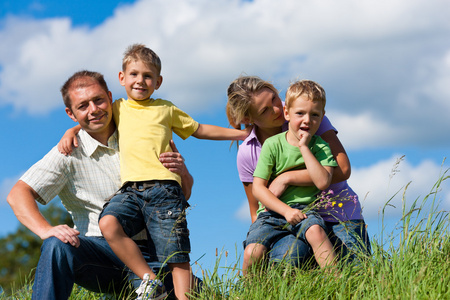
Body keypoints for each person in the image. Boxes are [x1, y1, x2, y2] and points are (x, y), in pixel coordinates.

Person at [6, 70, 194, 300]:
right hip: (100, 253)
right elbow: (17, 194)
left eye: (98, 100)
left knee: (202, 294)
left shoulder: (142, 132)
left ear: (111, 98)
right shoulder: (68, 151)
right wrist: (46, 230)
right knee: (56, 245)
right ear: (71, 113)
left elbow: (181, 196)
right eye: (82, 106)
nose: (93, 110)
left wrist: (182, 173)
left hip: (155, 253)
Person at [95, 43, 250, 300]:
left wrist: (242, 134)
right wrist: (70, 133)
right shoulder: (118, 108)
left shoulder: (166, 109)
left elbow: (199, 130)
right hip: (130, 191)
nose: (140, 81)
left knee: (176, 254)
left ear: (158, 81)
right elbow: (93, 121)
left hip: (165, 190)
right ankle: (149, 280)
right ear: (122, 78)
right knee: (108, 223)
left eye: (148, 76)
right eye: (134, 74)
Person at [226, 76, 371, 268]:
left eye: (274, 100)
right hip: (288, 220)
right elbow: (256, 210)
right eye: (265, 110)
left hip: (337, 213)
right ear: (248, 119)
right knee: (286, 266)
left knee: (358, 273)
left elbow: (342, 168)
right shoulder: (248, 152)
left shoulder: (306, 115)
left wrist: (287, 177)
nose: (277, 109)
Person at [242, 80, 338, 273]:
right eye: (300, 113)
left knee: (316, 232)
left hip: (305, 210)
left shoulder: (320, 146)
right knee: (253, 252)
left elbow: (322, 181)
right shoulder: (272, 144)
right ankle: (248, 291)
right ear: (287, 113)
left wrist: (304, 148)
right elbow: (258, 188)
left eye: (315, 115)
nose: (307, 120)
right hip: (271, 213)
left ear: (322, 117)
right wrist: (285, 211)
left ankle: (337, 282)